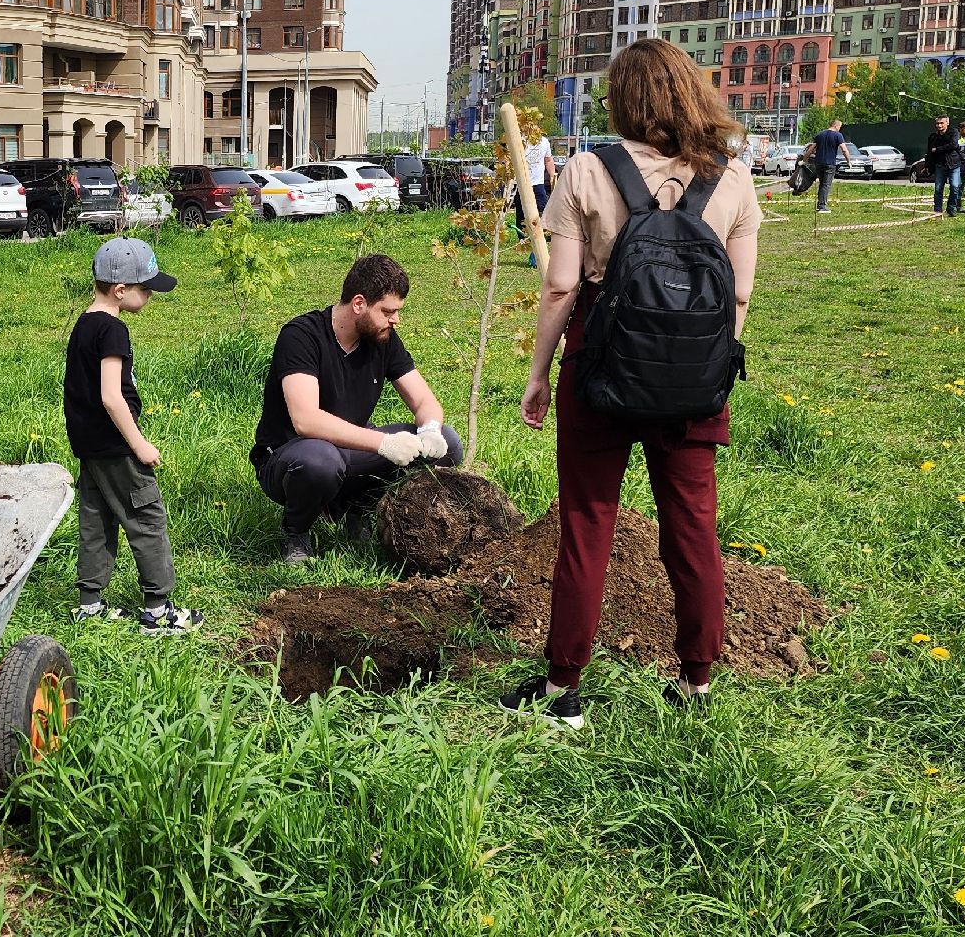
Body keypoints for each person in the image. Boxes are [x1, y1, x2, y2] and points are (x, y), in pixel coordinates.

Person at [503, 38, 762, 729]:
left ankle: (562, 692)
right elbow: (736, 298)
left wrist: (536, 375)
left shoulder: (589, 169)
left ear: (623, 99)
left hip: (601, 366)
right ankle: (697, 682)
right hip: (694, 376)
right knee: (693, 527)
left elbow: (561, 285)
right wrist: (706, 370)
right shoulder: (731, 179)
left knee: (587, 524)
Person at [251, 254, 462, 565]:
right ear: (359, 303)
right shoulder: (302, 336)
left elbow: (423, 400)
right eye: (388, 311)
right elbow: (305, 420)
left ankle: (359, 509)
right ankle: (297, 534)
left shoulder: (382, 339)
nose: (395, 320)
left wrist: (429, 429)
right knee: (320, 460)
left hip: (349, 452)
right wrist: (383, 443)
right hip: (290, 458)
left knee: (448, 442)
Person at [64, 239, 198, 634]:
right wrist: (138, 443)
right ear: (120, 290)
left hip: (89, 447)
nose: (151, 294)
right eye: (147, 288)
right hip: (118, 448)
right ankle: (159, 611)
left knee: (96, 520)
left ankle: (89, 604)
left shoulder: (84, 324)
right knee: (146, 518)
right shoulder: (112, 329)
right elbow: (111, 395)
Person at [924, 115, 958, 217]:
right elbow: (929, 151)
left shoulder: (954, 132)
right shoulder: (933, 137)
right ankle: (937, 210)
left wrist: (938, 149)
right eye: (937, 123)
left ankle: (951, 208)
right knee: (938, 189)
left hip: (954, 164)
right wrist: (927, 165)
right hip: (940, 165)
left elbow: (954, 145)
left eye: (941, 123)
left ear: (947, 123)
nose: (939, 125)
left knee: (955, 187)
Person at [811, 119, 847, 214]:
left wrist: (803, 160)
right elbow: (844, 149)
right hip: (830, 164)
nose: (840, 129)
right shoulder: (838, 135)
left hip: (818, 163)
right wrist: (849, 161)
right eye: (839, 127)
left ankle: (820, 205)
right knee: (826, 185)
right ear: (836, 126)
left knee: (822, 184)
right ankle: (822, 207)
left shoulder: (820, 134)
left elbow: (811, 148)